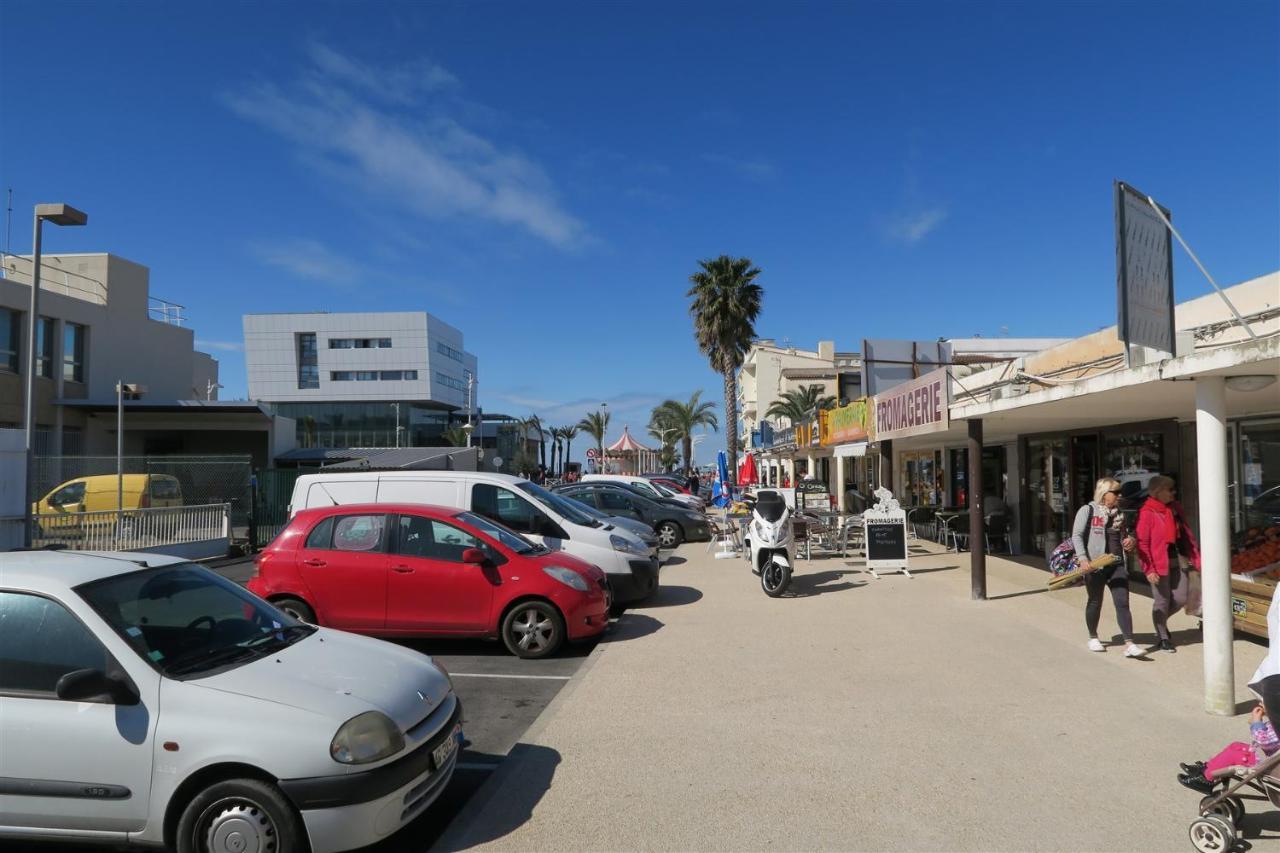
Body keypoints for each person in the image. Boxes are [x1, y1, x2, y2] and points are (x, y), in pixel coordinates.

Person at [1072, 477, 1141, 657]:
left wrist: (1130, 541)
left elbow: (1126, 534)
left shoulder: (1120, 514)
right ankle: (1093, 637)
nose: (1119, 496)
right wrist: (1083, 559)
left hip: (1117, 564)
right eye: (1115, 492)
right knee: (1095, 601)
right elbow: (1077, 535)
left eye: (1120, 492)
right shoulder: (1088, 511)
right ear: (1104, 494)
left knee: (1123, 603)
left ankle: (1129, 643)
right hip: (1095, 565)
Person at [1136, 475, 1201, 653]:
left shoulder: (1175, 509)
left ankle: (1160, 623)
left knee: (1180, 598)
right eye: (1170, 489)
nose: (1174, 492)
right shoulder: (1147, 512)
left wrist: (1195, 557)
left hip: (1177, 558)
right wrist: (1148, 569)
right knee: (1162, 601)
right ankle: (1163, 637)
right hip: (1158, 563)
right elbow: (1142, 543)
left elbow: (1187, 534)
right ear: (1158, 492)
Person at [1177, 704, 1280, 793]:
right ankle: (1207, 767)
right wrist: (1257, 722)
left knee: (1232, 755)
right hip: (1265, 756)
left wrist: (1257, 723)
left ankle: (1206, 778)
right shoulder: (1277, 721)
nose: (1260, 703)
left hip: (1264, 763)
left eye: (1264, 702)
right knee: (1235, 745)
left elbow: (1263, 740)